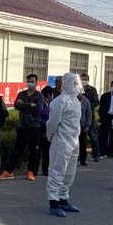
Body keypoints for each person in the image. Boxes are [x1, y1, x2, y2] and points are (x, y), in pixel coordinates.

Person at [47, 72, 83, 217]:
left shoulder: (76, 101)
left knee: (69, 173)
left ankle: (63, 198)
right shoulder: (60, 101)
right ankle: (53, 202)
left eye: (77, 83)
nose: (77, 86)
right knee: (57, 171)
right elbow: (52, 123)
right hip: (61, 141)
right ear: (66, 83)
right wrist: (50, 136)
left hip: (74, 141)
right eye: (74, 83)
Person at [0, 74, 43, 181]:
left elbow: (37, 109)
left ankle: (31, 172)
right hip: (22, 126)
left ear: (36, 83)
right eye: (29, 81)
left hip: (34, 127)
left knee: (34, 151)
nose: (30, 83)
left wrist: (24, 105)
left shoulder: (39, 96)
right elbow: (17, 105)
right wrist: (30, 105)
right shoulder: (22, 94)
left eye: (32, 81)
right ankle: (9, 171)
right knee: (17, 150)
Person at [98, 80, 113, 159]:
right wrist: (102, 117)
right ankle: (102, 152)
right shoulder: (105, 96)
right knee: (104, 135)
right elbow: (101, 108)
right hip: (107, 117)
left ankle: (110, 152)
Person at [79, 73, 100, 162]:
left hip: (90, 115)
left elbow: (96, 102)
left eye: (85, 79)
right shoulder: (78, 89)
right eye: (82, 79)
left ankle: (96, 155)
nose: (84, 81)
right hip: (79, 116)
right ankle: (80, 156)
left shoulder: (92, 90)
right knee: (79, 138)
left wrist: (87, 104)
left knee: (93, 136)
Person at [39, 86, 54, 176]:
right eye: (51, 94)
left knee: (47, 152)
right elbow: (40, 119)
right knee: (42, 152)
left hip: (48, 132)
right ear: (48, 95)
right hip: (41, 132)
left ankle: (46, 169)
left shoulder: (50, 105)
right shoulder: (41, 105)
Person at [78, 90, 94, 166]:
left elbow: (89, 114)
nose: (80, 96)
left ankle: (83, 160)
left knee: (83, 144)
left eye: (81, 94)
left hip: (83, 126)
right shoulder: (73, 100)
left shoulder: (86, 101)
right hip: (74, 126)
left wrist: (88, 125)